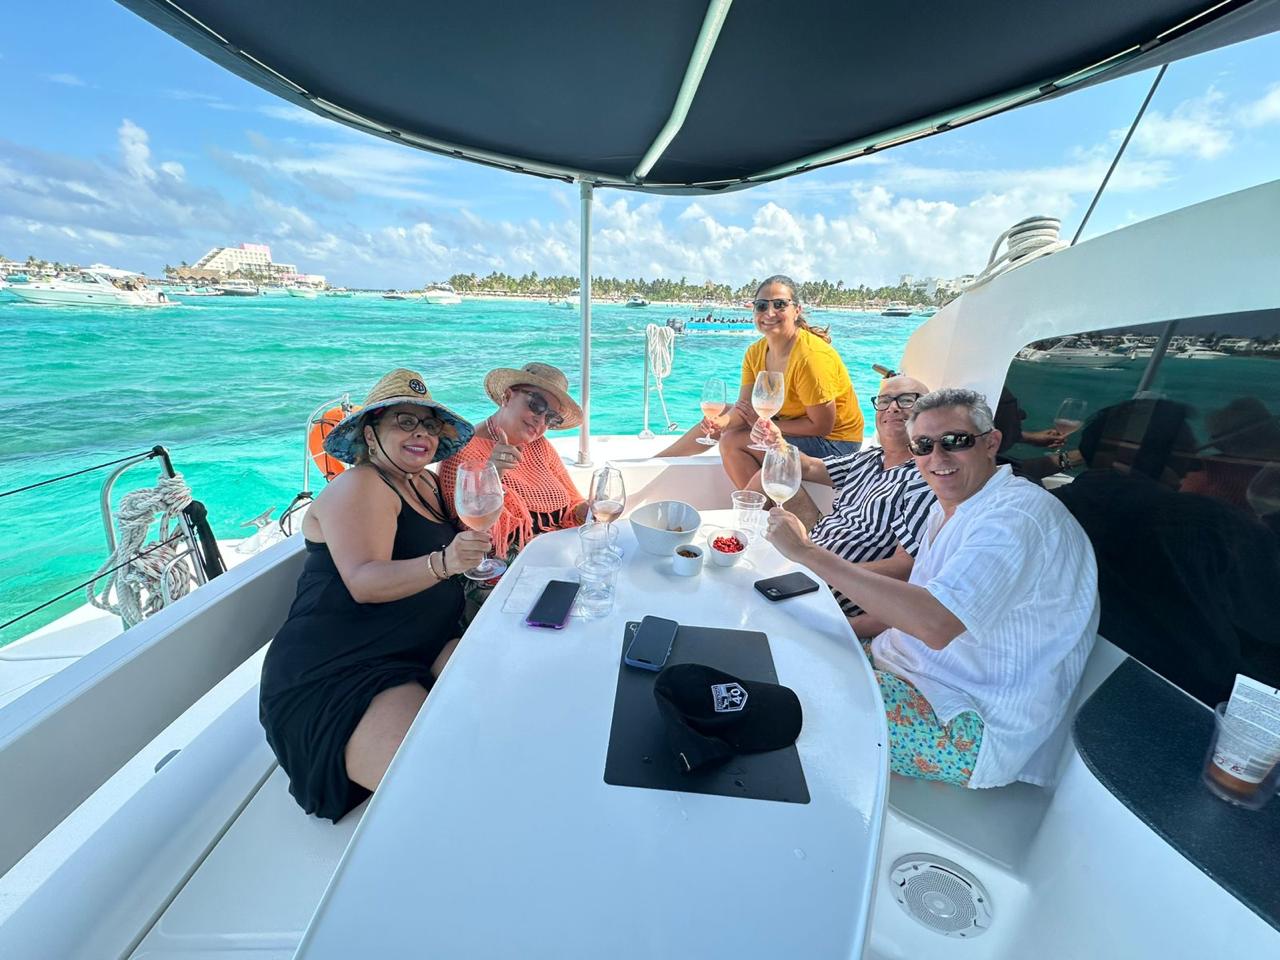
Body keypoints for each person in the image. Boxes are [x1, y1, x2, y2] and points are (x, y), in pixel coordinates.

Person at [766, 388, 1099, 788]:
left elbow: (934, 623)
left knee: (783, 694)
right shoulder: (954, 506)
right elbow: (910, 614)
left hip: (964, 720)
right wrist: (828, 629)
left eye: (955, 442)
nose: (937, 458)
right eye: (923, 446)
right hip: (905, 669)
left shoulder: (1018, 518)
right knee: (775, 650)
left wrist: (807, 553)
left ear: (990, 442)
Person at [259, 368, 492, 821]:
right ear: (371, 433)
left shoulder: (422, 482)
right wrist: (446, 562)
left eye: (428, 424)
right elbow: (364, 582)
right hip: (340, 670)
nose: (420, 432)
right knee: (438, 785)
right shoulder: (360, 483)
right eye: (404, 421)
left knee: (504, 721)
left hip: (416, 647)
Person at [750, 374, 936, 626]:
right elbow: (810, 468)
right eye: (884, 401)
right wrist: (777, 440)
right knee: (769, 475)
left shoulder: (923, 478)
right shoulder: (868, 459)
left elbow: (904, 567)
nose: (892, 407)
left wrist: (821, 569)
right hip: (807, 555)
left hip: (833, 585)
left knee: (747, 602)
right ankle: (741, 541)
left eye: (906, 400)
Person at [439, 361, 589, 578]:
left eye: (551, 418)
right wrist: (493, 476)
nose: (541, 419)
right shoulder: (463, 451)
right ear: (508, 396)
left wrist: (584, 510)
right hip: (507, 573)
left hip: (559, 558)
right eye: (536, 405)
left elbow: (573, 503)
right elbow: (469, 533)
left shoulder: (540, 447)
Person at [719, 275, 864, 489]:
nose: (769, 313)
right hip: (796, 425)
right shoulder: (755, 352)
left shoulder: (810, 357)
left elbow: (823, 426)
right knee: (723, 420)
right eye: (761, 306)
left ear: (797, 310)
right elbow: (745, 408)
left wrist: (771, 427)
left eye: (779, 305)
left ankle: (761, 511)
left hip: (837, 443)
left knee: (733, 442)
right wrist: (718, 423)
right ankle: (659, 461)